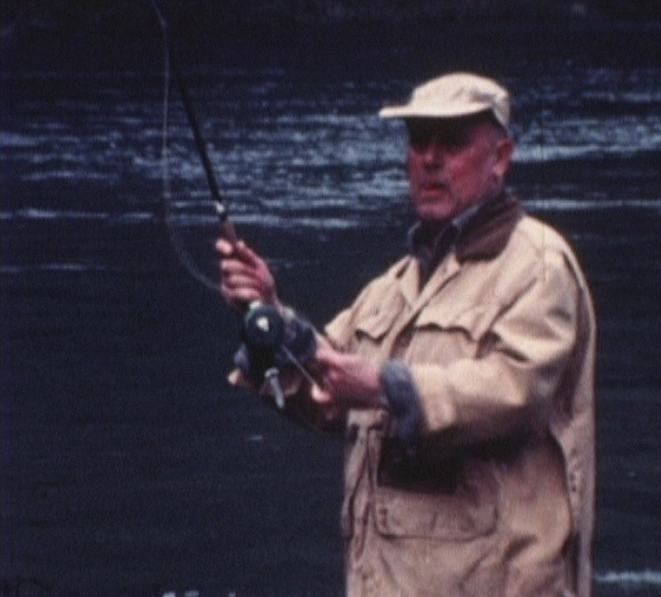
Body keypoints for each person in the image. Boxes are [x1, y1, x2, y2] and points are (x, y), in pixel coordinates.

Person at [216, 72, 597, 597]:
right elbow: (324, 389)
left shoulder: (539, 265)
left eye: (453, 142)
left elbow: (517, 390)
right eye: (419, 141)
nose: (430, 158)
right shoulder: (392, 287)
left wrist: (384, 387)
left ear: (500, 158)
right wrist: (268, 316)